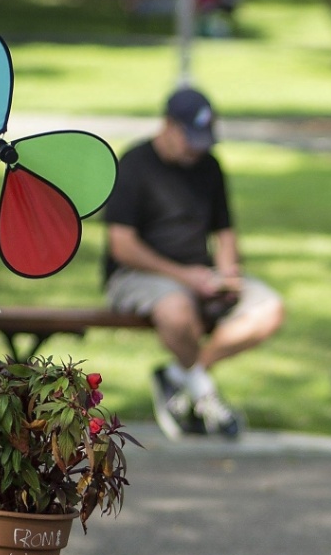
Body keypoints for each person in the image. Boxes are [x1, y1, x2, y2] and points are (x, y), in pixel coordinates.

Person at [104, 87, 284, 439]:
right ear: (168, 125)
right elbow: (122, 246)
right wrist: (185, 277)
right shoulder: (135, 164)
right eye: (190, 139)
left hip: (201, 274)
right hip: (140, 274)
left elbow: (224, 232)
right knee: (177, 311)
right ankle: (204, 392)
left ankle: (177, 377)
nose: (196, 150)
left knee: (270, 309)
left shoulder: (209, 166)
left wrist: (228, 272)